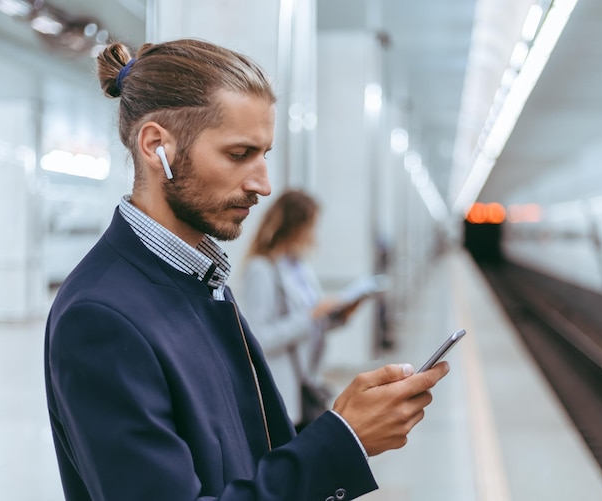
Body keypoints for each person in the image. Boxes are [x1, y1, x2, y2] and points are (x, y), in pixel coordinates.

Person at [44, 38, 449, 501]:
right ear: (157, 146)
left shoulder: (204, 283)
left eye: (264, 155)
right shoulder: (101, 317)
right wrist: (343, 441)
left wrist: (346, 427)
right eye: (239, 154)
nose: (263, 184)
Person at [240, 189, 358, 430]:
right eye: (311, 226)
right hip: (284, 390)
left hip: (307, 381)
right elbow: (259, 339)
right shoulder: (262, 269)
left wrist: (337, 316)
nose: (314, 234)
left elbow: (309, 322)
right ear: (295, 226)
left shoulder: (299, 268)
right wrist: (310, 316)